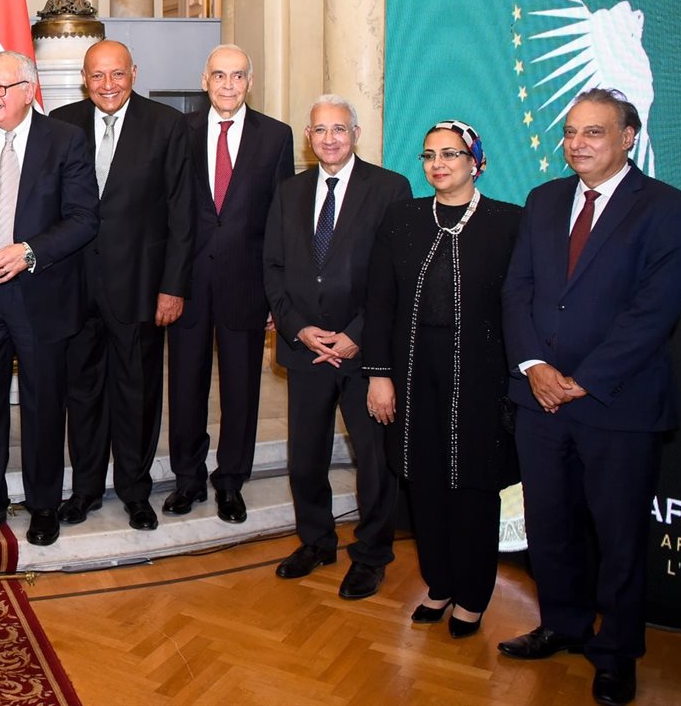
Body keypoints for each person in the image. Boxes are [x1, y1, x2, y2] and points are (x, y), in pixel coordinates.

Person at [497, 89, 681, 706]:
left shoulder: (666, 208)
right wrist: (534, 366)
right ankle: (563, 624)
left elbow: (654, 311)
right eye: (571, 132)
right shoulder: (543, 200)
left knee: (618, 536)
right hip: (539, 399)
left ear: (628, 137)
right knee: (550, 525)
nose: (577, 144)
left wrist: (582, 379)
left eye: (594, 132)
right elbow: (518, 290)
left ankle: (616, 653)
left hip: (617, 405)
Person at [364, 120, 520, 638]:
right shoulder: (402, 217)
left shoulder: (508, 222)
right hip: (412, 372)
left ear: (477, 162)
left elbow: (520, 306)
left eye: (451, 154)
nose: (438, 164)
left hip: (481, 377)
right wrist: (379, 375)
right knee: (424, 482)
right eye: (429, 155)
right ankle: (440, 584)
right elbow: (380, 300)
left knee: (474, 487)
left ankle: (472, 596)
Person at [0, 52, 99, 546]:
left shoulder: (66, 141)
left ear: (29, 91)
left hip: (42, 295)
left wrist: (29, 252)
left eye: (0, 88)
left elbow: (83, 219)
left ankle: (44, 504)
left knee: (43, 406)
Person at [263, 95, 409, 599]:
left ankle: (371, 554)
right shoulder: (288, 192)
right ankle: (316, 541)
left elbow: (396, 275)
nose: (329, 139)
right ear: (308, 136)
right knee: (306, 457)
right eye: (320, 130)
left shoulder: (389, 189)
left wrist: (356, 335)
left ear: (356, 134)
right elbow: (273, 267)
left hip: (364, 353)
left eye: (339, 129)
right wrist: (298, 328)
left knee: (373, 461)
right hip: (305, 348)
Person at [54, 41, 195, 531]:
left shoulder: (167, 125)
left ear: (134, 72)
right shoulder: (62, 123)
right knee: (83, 394)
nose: (107, 85)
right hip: (76, 286)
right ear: (84, 79)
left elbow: (182, 213)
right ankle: (86, 489)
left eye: (117, 74)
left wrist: (173, 287)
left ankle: (135, 491)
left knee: (137, 393)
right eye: (97, 76)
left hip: (140, 286)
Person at [167, 44, 294, 522]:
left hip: (247, 285)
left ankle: (231, 481)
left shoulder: (276, 137)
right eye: (219, 75)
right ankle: (187, 478)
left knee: (241, 390)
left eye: (237, 76)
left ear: (250, 82)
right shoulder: (179, 131)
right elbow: (168, 213)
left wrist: (276, 295)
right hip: (188, 283)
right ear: (204, 81)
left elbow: (281, 222)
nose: (227, 84)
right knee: (185, 385)